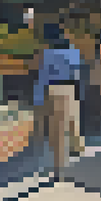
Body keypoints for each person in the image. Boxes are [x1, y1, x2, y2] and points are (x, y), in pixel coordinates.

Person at [34, 24, 84, 180]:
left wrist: (38, 99)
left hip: (53, 90)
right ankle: (77, 147)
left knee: (57, 132)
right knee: (73, 120)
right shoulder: (73, 52)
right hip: (69, 88)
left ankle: (58, 170)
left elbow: (42, 78)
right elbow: (77, 74)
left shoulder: (47, 54)